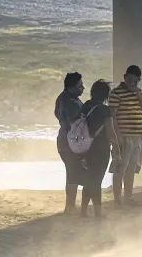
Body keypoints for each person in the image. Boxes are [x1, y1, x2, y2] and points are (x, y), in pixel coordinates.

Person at [80, 80, 122, 218]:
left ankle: (84, 210)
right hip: (100, 149)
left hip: (85, 148)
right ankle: (98, 212)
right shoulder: (105, 110)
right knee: (96, 181)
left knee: (89, 179)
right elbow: (111, 133)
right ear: (106, 95)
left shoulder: (85, 106)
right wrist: (117, 151)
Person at [109, 65, 142, 207]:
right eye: (131, 80)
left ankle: (128, 197)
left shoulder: (138, 92)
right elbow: (112, 117)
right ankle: (117, 200)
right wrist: (117, 136)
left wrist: (138, 94)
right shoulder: (116, 93)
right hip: (124, 137)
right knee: (120, 168)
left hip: (137, 136)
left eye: (136, 81)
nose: (133, 83)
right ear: (125, 77)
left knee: (131, 169)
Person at [54, 72, 85, 214]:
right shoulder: (71, 102)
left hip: (63, 140)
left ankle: (70, 205)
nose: (83, 88)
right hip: (71, 142)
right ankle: (70, 206)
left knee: (72, 171)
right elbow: (76, 124)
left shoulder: (61, 98)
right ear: (71, 88)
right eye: (80, 86)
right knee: (73, 172)